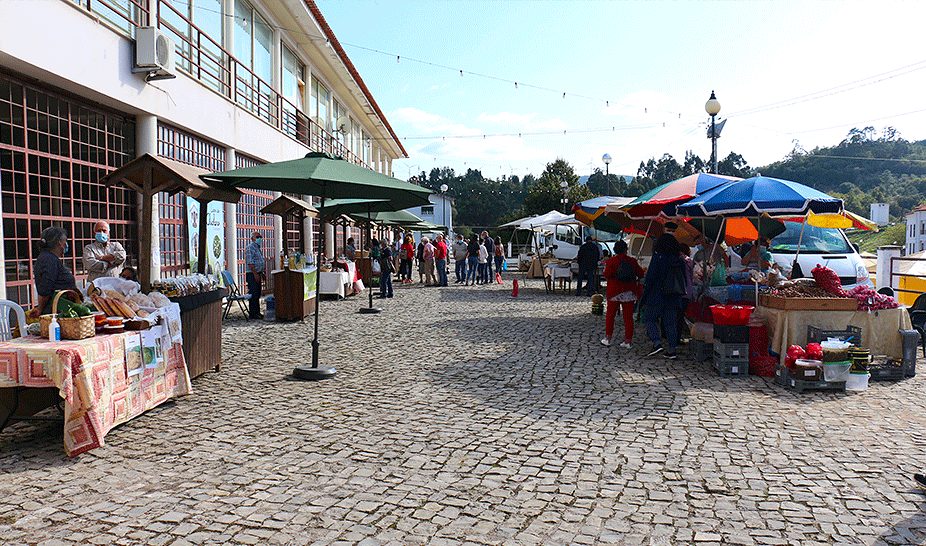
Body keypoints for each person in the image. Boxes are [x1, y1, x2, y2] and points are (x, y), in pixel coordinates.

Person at [639, 232, 685, 359]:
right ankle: (672, 350)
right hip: (673, 296)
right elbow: (684, 279)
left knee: (649, 319)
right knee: (670, 323)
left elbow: (650, 278)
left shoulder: (658, 258)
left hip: (656, 295)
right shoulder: (680, 261)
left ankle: (657, 343)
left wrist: (644, 295)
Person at [600, 239, 644, 349]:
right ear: (626, 249)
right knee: (628, 317)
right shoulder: (632, 261)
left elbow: (606, 274)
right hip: (629, 291)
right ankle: (627, 341)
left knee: (610, 316)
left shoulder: (611, 261)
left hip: (614, 291)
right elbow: (641, 273)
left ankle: (608, 338)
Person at [33, 226, 79, 317]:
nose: (66, 244)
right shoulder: (49, 260)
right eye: (65, 241)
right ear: (60, 243)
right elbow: (45, 288)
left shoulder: (49, 258)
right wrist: (40, 309)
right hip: (56, 312)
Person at [245, 231, 265, 319]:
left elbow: (259, 261)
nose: (259, 238)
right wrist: (255, 274)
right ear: (252, 239)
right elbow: (250, 263)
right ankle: (253, 313)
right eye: (257, 237)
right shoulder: (250, 248)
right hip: (252, 274)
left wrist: (262, 273)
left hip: (258, 273)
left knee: (258, 293)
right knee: (253, 293)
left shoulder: (257, 248)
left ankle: (257, 312)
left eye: (260, 237)